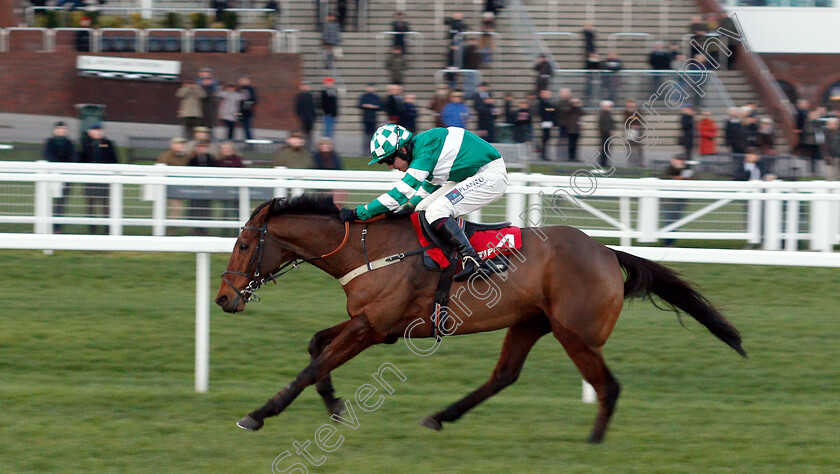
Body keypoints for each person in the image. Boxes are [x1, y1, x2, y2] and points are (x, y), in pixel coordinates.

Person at [338, 124, 508, 281]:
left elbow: (401, 193)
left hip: (489, 176)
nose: (390, 166)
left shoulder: (424, 152)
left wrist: (359, 212)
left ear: (403, 150)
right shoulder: (421, 148)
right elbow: (430, 183)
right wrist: (410, 207)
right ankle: (444, 257)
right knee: (421, 208)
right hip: (470, 176)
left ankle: (473, 260)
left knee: (436, 211)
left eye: (389, 160)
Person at [78, 124, 118, 234]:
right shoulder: (85, 144)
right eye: (95, 130)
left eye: (99, 130)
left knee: (106, 204)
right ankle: (92, 227)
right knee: (90, 203)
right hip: (90, 179)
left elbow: (114, 160)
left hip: (105, 179)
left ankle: (107, 227)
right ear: (90, 132)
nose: (98, 133)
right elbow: (81, 160)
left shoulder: (108, 144)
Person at [43, 121, 76, 231]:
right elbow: (47, 155)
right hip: (52, 174)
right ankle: (46, 223)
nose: (62, 131)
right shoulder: (50, 142)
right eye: (60, 128)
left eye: (64, 129)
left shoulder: (69, 143)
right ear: (55, 130)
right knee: (48, 200)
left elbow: (73, 157)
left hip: (65, 175)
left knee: (61, 201)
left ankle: (57, 225)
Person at [661, 154, 693, 247]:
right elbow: (664, 179)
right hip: (669, 201)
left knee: (675, 222)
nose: (680, 162)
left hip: (680, 201)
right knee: (669, 221)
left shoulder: (687, 170)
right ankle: (668, 243)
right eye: (678, 160)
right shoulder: (667, 170)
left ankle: (671, 242)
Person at [187, 140, 218, 235]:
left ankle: (204, 228)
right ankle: (194, 228)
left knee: (206, 208)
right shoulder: (192, 159)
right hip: (195, 187)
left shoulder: (211, 159)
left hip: (207, 188)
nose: (202, 149)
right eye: (200, 147)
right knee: (194, 208)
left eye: (204, 147)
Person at [358, 83, 383, 154]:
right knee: (366, 135)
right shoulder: (364, 96)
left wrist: (373, 106)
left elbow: (380, 106)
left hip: (374, 119)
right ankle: (365, 150)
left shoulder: (376, 97)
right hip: (366, 118)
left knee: (373, 135)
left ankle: (372, 149)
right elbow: (360, 105)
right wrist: (367, 106)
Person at [295, 82, 317, 150]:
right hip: (304, 118)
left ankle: (309, 147)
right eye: (304, 86)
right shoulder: (299, 96)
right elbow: (298, 107)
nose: (306, 87)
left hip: (310, 118)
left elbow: (313, 107)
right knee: (303, 133)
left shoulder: (311, 96)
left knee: (309, 134)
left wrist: (314, 116)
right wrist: (301, 116)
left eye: (307, 86)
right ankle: (302, 146)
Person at [197, 67, 219, 132]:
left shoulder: (213, 83)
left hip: (209, 106)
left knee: (209, 122)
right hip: (200, 106)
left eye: (207, 73)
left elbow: (215, 92)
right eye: (204, 72)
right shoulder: (197, 82)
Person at [537, 89, 556, 161]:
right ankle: (543, 155)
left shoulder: (549, 102)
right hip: (545, 122)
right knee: (545, 139)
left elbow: (552, 111)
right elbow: (543, 112)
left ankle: (545, 154)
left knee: (547, 138)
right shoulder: (542, 102)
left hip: (549, 122)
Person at [237, 76, 258, 141]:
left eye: (243, 80)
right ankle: (248, 141)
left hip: (247, 113)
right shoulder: (240, 89)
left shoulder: (249, 89)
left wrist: (245, 109)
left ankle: (250, 143)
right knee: (245, 129)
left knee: (247, 128)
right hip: (242, 112)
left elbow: (251, 101)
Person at [598, 100, 614, 166]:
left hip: (607, 133)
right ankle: (602, 163)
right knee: (604, 149)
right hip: (604, 134)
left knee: (606, 149)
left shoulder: (608, 114)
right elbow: (603, 125)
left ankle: (604, 162)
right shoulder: (603, 114)